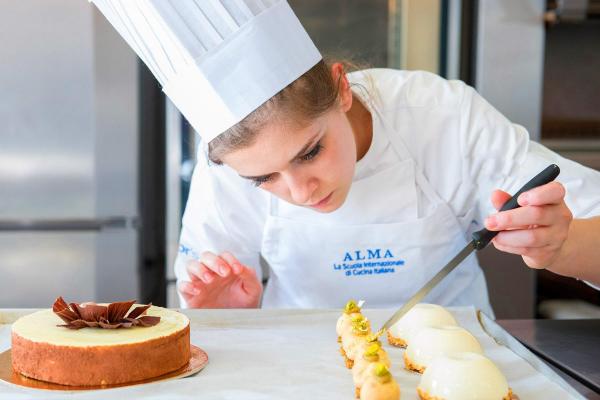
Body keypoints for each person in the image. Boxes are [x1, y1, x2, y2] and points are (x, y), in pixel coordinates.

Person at [92, 1, 600, 315]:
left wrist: (561, 244)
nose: (300, 191)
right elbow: (205, 330)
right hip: (297, 374)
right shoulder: (228, 164)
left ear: (342, 90)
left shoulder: (442, 117)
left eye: (310, 151)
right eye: (264, 179)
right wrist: (227, 317)